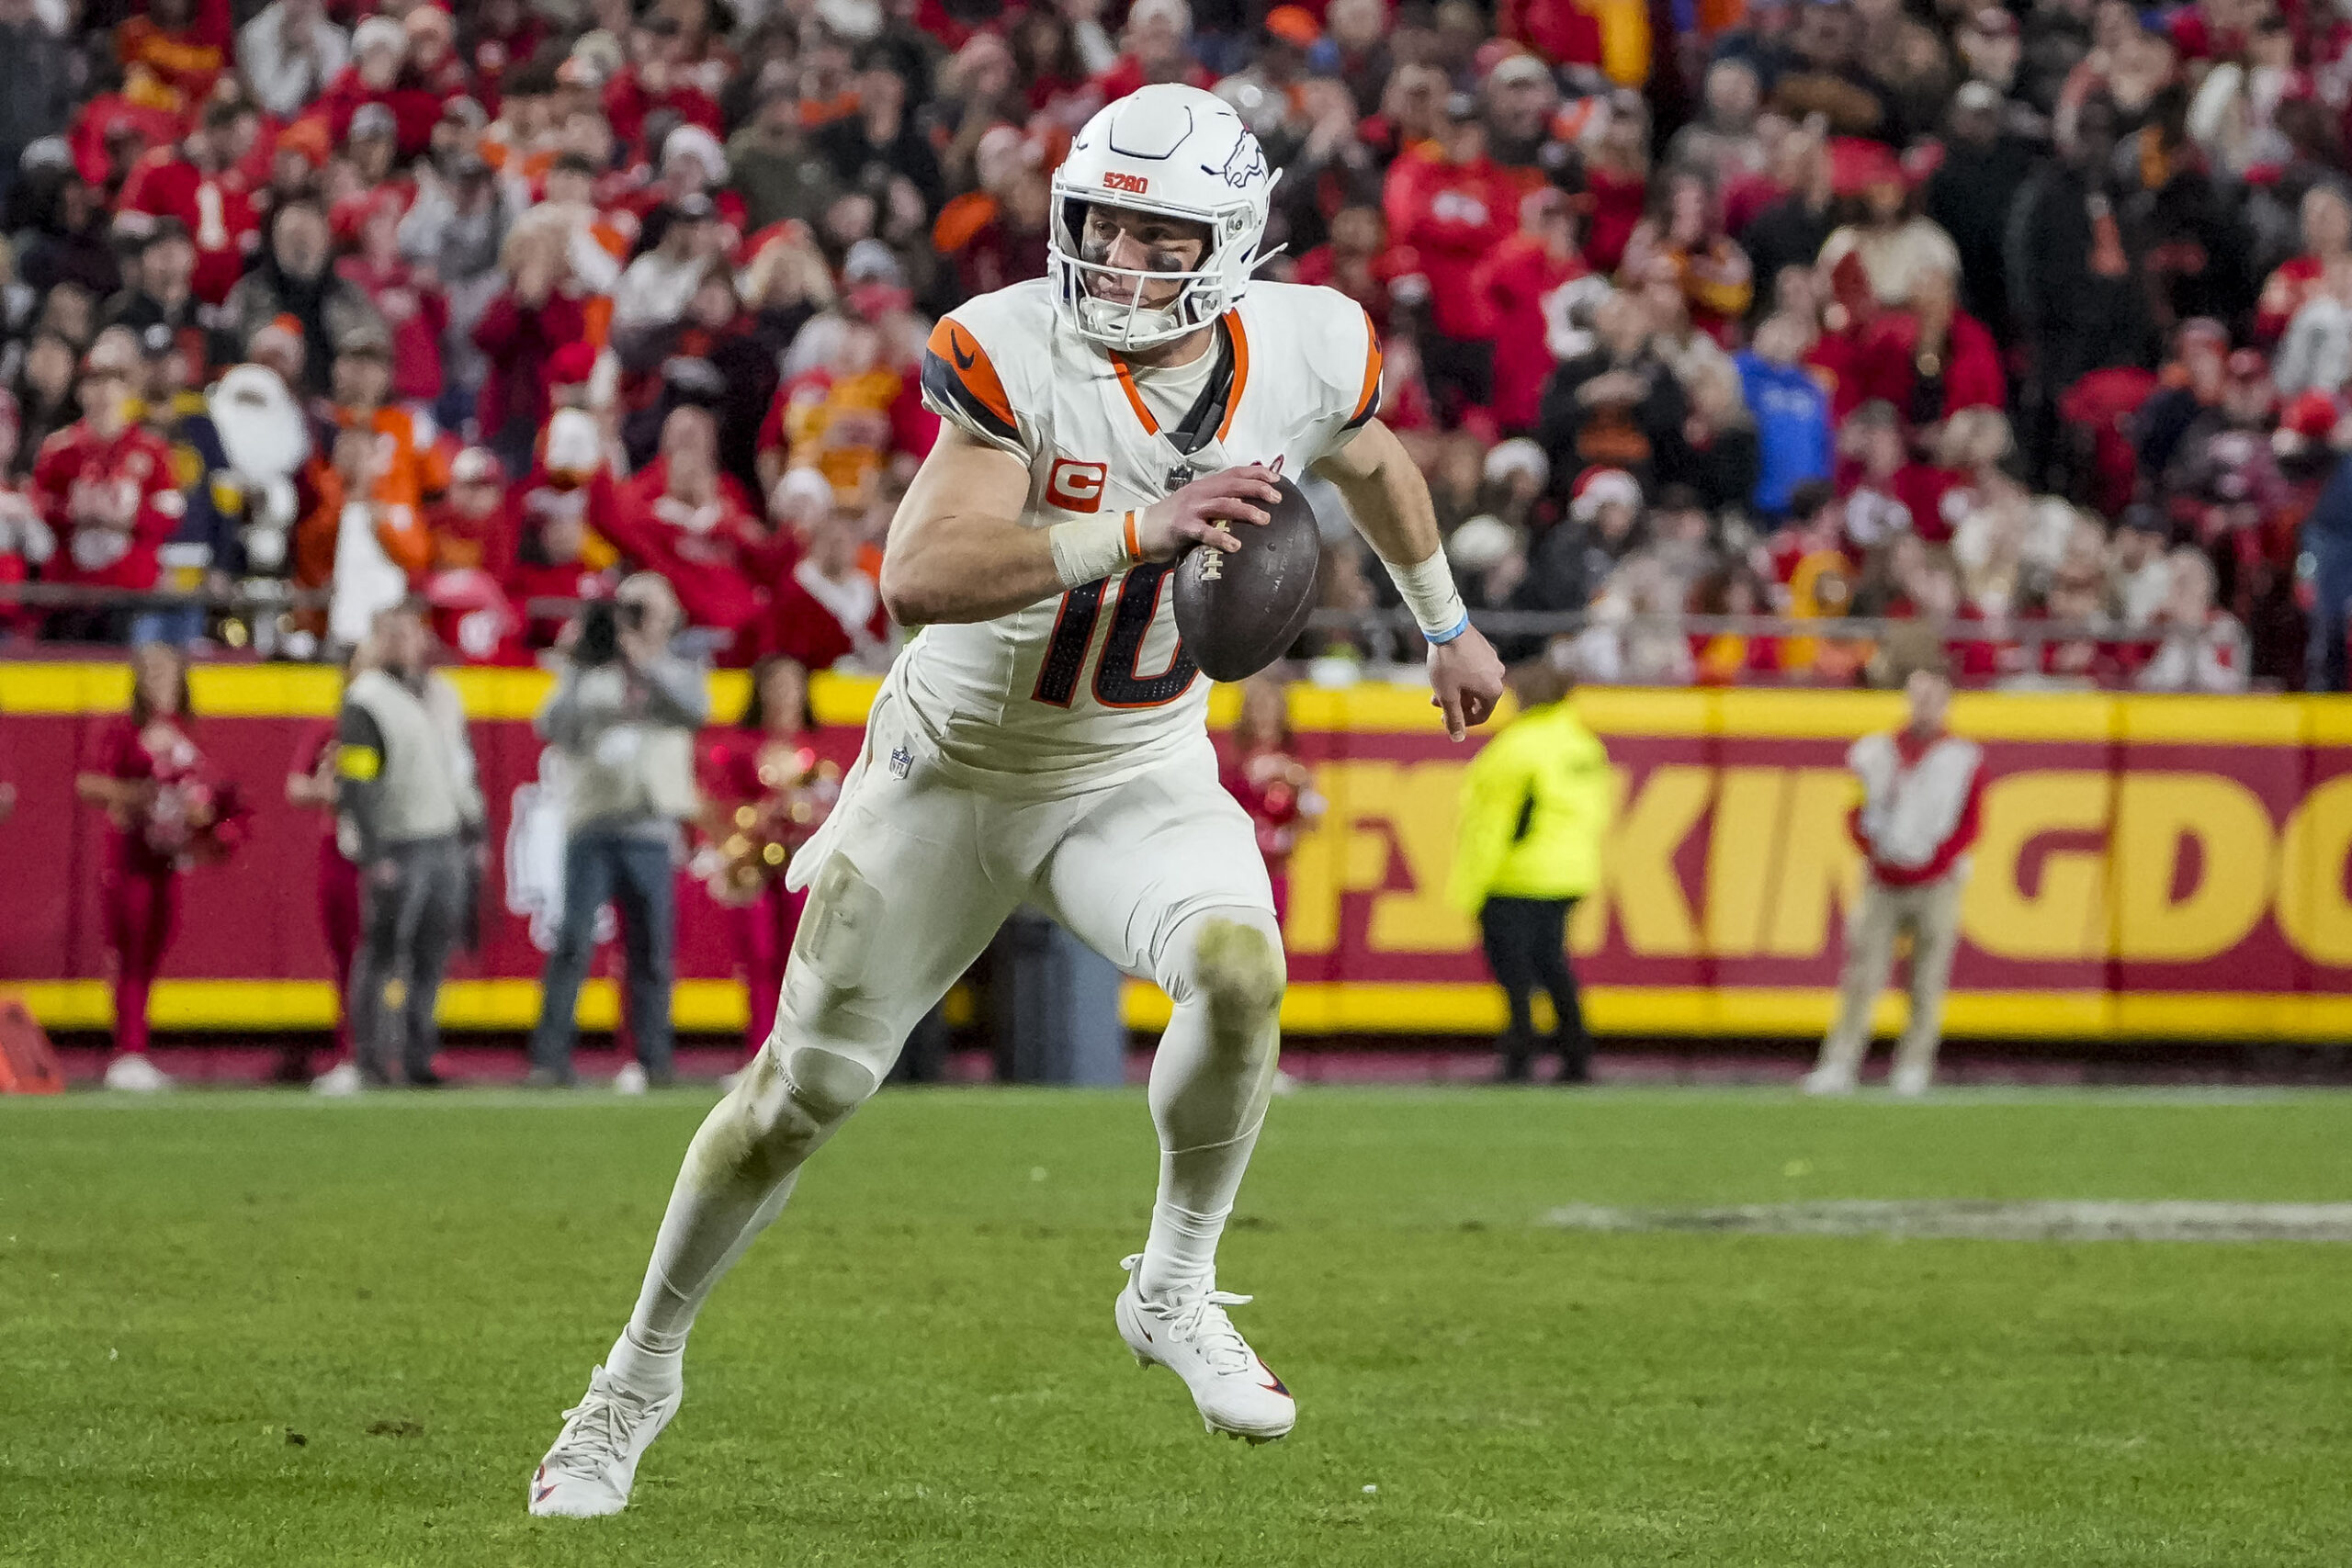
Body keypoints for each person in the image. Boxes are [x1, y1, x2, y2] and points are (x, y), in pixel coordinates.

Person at [526, 85, 1504, 1515]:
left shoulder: (1308, 344)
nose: (1114, 258)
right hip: (953, 771)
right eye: (1099, 224)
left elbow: (1370, 456)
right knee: (796, 1097)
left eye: (1155, 238)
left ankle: (1172, 1285)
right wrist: (1136, 527)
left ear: (1232, 244)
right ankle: (632, 1380)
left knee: (1241, 970)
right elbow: (918, 575)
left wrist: (1445, 620)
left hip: (1135, 766)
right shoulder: (1016, 347)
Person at [525, 572, 709, 1092]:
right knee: (574, 943)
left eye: (645, 610)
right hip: (593, 820)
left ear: (668, 616)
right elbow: (550, 724)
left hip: (651, 824)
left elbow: (695, 710)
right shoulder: (588, 668)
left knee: (652, 950)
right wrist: (579, 662)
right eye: (628, 609)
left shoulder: (678, 665)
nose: (636, 620)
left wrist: (642, 661)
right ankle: (550, 1059)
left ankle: (655, 1059)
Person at [73, 643, 250, 1090]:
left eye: (168, 675)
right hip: (129, 854)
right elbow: (89, 783)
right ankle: (128, 1051)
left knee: (154, 948)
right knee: (130, 950)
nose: (161, 683)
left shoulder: (186, 732)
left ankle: (137, 1047)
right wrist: (141, 795)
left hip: (167, 858)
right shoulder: (122, 728)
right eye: (152, 675)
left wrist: (206, 818)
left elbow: (207, 791)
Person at [1804, 664, 1983, 1097]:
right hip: (1882, 880)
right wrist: (1873, 849)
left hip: (1936, 883)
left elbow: (1971, 822)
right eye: (1918, 696)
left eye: (1933, 698)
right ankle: (1840, 1063)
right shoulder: (1875, 752)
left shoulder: (1963, 758)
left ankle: (1914, 1066)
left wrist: (1935, 860)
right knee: (1862, 975)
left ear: (1947, 702)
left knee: (1926, 979)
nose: (1924, 706)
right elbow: (1854, 809)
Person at [333, 602, 484, 1087]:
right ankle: (371, 1059)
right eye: (390, 633)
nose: (401, 642)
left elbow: (461, 765)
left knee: (431, 955)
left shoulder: (442, 693)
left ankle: (420, 1056)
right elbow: (355, 781)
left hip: (445, 835)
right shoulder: (366, 698)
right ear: (376, 641)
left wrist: (475, 829)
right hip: (398, 839)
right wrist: (373, 849)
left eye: (408, 632)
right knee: (383, 952)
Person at [1447, 644, 1611, 1083]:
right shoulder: (1581, 742)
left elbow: (1494, 823)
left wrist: (1474, 882)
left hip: (1517, 873)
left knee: (1515, 973)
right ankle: (1575, 1054)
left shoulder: (1518, 747)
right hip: (1569, 872)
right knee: (1553, 965)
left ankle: (1519, 1055)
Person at [694, 656, 833, 1061]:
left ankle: (799, 1056)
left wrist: (807, 812)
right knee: (759, 957)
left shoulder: (819, 749)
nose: (785, 694)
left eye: (793, 684)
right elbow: (719, 807)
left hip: (803, 869)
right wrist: (760, 817)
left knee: (804, 963)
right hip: (753, 868)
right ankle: (760, 1056)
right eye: (776, 684)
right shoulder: (740, 750)